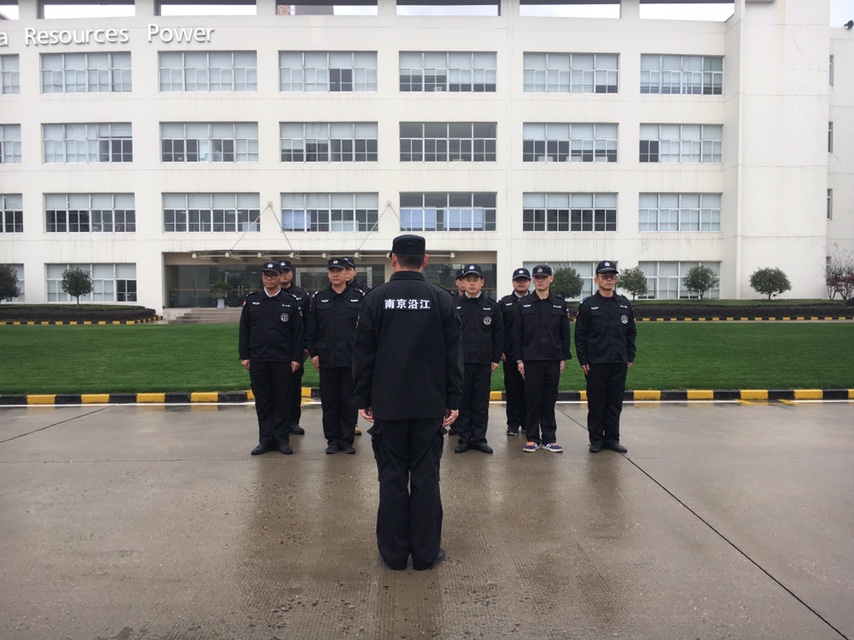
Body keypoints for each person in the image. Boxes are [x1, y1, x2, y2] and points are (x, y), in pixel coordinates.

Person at [353, 234, 463, 571]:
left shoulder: (375, 299)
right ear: (425, 260)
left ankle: (394, 553)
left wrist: (363, 398)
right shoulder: (441, 299)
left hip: (388, 405)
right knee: (427, 478)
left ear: (393, 259)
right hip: (430, 404)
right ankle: (426, 553)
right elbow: (453, 355)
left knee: (392, 478)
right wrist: (453, 399)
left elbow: (364, 354)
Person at [239, 261, 305, 456]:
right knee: (263, 401)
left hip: (282, 360)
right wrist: (245, 356)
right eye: (265, 275)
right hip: (259, 359)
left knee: (282, 401)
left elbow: (298, 333)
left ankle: (282, 440)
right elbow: (244, 331)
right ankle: (266, 440)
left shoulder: (290, 301)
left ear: (279, 277)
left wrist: (296, 358)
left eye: (273, 275)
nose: (269, 278)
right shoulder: (253, 301)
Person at [575, 260, 637, 453]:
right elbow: (580, 335)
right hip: (595, 363)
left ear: (615, 280)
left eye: (611, 277)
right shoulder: (588, 305)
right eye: (604, 276)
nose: (608, 280)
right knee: (596, 403)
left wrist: (630, 355)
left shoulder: (624, 304)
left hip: (618, 361)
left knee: (614, 403)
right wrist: (583, 359)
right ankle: (596, 440)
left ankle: (612, 439)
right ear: (596, 280)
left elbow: (631, 332)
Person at [307, 258, 364, 455]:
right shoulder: (320, 298)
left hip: (350, 358)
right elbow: (312, 329)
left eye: (339, 270)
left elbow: (365, 330)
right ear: (328, 274)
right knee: (330, 401)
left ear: (347, 273)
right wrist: (314, 353)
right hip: (327, 358)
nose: (335, 274)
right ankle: (332, 440)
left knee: (349, 401)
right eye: (332, 271)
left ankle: (347, 440)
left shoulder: (358, 298)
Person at [512, 264, 571, 453]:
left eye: (544, 277)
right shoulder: (524, 304)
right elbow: (517, 334)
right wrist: (519, 360)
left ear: (551, 279)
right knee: (532, 400)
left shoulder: (559, 304)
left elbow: (564, 334)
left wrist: (563, 358)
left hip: (553, 359)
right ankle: (532, 438)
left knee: (549, 400)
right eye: (537, 277)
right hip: (531, 360)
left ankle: (549, 438)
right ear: (533, 280)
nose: (540, 280)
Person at [453, 264, 503, 454]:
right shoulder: (455, 305)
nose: (472, 283)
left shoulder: (491, 305)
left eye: (475, 280)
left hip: (483, 362)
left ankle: (479, 438)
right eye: (468, 280)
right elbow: (449, 334)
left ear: (482, 282)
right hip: (461, 363)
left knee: (480, 403)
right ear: (463, 283)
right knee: (464, 401)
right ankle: (465, 439)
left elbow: (498, 334)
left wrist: (495, 358)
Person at [279, 260, 311, 436]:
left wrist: (305, 348)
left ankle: (293, 422)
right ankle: (279, 423)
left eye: (286, 271)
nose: (283, 275)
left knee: (293, 388)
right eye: (280, 272)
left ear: (291, 273)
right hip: (276, 350)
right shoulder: (270, 294)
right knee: (277, 389)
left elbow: (308, 322)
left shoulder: (301, 295)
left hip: (295, 349)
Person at [499, 268, 531, 436]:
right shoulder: (505, 303)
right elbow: (499, 329)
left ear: (529, 282)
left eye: (524, 280)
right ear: (513, 282)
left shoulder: (535, 301)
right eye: (518, 280)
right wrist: (500, 349)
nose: (521, 283)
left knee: (529, 389)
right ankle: (512, 423)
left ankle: (526, 422)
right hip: (510, 353)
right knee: (512, 390)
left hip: (530, 353)